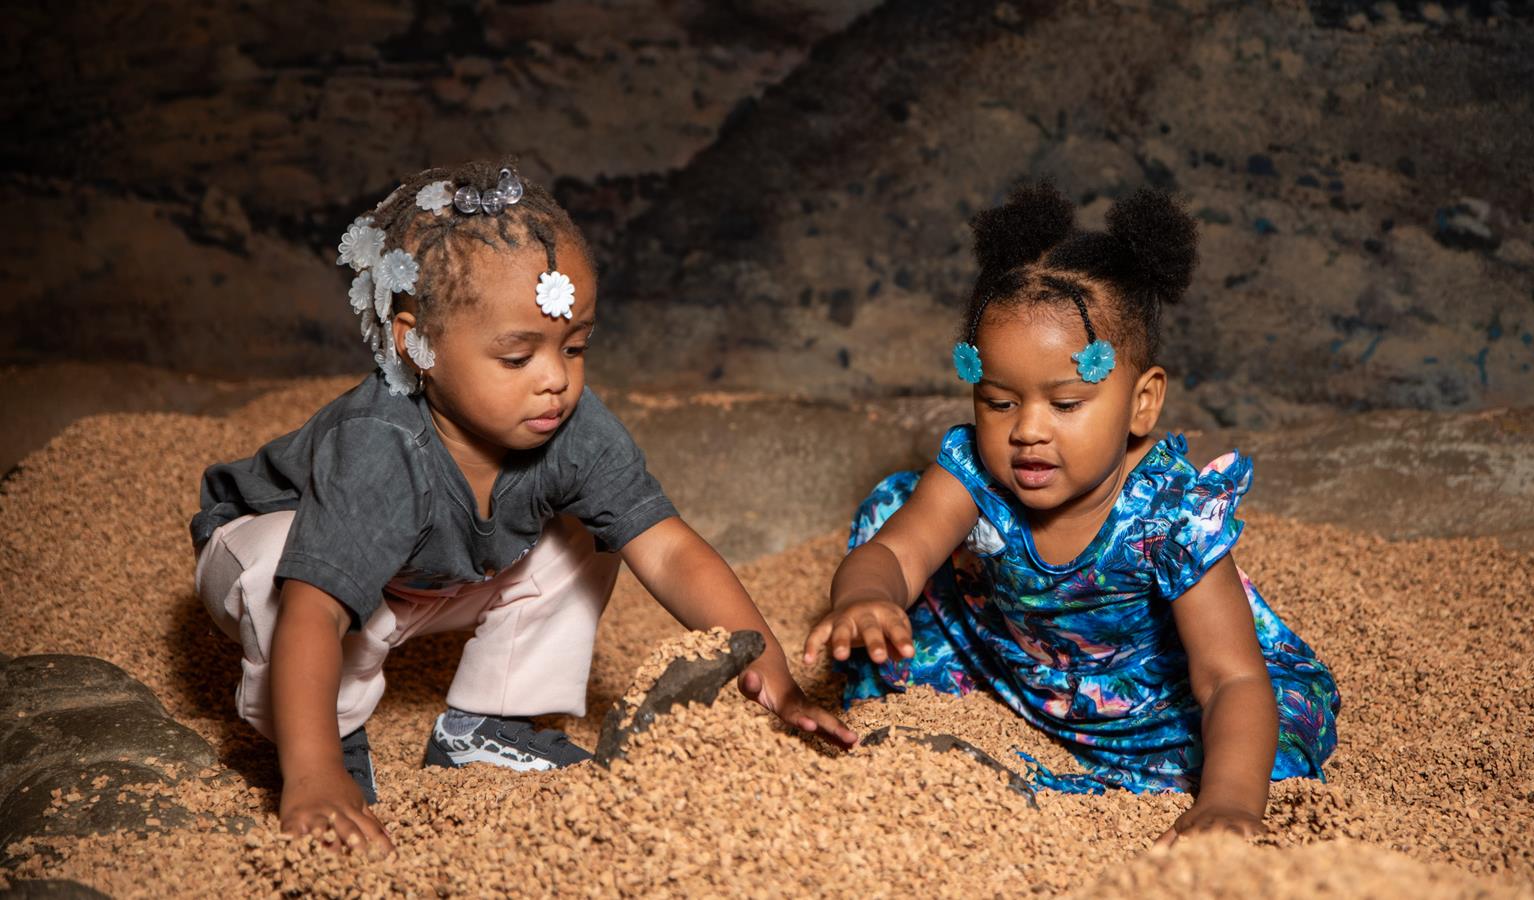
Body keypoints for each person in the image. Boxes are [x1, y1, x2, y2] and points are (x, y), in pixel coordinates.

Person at [193, 160, 855, 855]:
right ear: (414, 342)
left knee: (594, 535)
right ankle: (329, 736)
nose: (556, 380)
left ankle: (486, 725)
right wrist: (314, 772)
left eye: (575, 348)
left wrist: (770, 671)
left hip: (426, 577)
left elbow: (666, 547)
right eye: (517, 358)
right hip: (271, 558)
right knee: (285, 581)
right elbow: (313, 610)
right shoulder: (380, 448)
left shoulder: (572, 429)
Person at [803, 182, 1338, 845]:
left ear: (1142, 403)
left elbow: (1229, 675)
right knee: (880, 643)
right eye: (999, 402)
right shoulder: (973, 470)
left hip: (1141, 702)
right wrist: (866, 598)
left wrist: (1229, 801)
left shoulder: (1168, 516)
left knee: (1267, 745)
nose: (1027, 429)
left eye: (1066, 404)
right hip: (1002, 656)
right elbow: (898, 553)